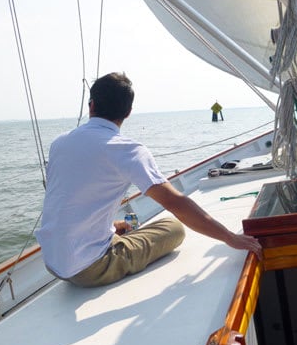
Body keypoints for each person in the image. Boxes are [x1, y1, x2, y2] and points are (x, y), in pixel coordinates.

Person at [36, 72, 261, 288]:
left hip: (53, 263)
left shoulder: (59, 143)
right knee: (174, 227)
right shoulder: (128, 150)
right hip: (90, 268)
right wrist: (229, 237)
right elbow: (174, 202)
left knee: (126, 227)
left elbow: (70, 199)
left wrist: (111, 226)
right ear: (128, 112)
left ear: (92, 105)